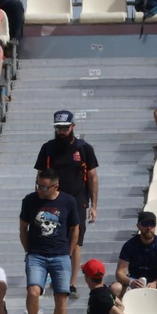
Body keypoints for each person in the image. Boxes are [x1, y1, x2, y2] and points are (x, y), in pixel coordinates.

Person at [36, 110, 100, 291]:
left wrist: (94, 206)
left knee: (76, 240)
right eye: (59, 128)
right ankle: (51, 277)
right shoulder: (48, 148)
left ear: (73, 126)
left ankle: (71, 282)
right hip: (52, 198)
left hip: (77, 199)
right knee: (51, 237)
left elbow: (93, 177)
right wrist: (39, 198)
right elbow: (40, 176)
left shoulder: (83, 148)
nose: (62, 131)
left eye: (65, 127)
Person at [20, 170, 81, 314]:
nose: (40, 189)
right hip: (36, 254)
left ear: (56, 186)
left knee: (61, 296)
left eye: (44, 187)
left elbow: (75, 228)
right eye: (38, 184)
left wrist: (68, 252)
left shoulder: (68, 201)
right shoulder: (30, 200)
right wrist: (28, 250)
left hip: (60, 255)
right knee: (33, 291)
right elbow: (23, 227)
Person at [114, 211, 157, 304]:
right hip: (135, 279)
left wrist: (156, 283)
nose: (149, 228)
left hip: (156, 280)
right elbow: (120, 273)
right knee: (115, 288)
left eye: (152, 224)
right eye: (145, 224)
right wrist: (131, 282)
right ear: (138, 226)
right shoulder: (129, 245)